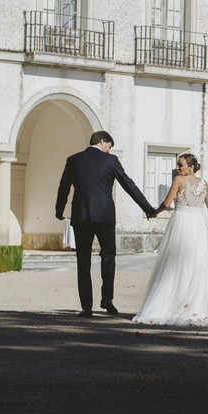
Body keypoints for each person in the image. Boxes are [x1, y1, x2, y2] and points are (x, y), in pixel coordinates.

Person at [133, 153, 208, 327]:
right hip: (198, 224)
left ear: (190, 167)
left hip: (182, 222)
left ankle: (172, 305)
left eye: (180, 165)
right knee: (197, 264)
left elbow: (167, 203)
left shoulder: (178, 180)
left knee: (175, 263)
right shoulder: (204, 184)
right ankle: (196, 306)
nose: (178, 168)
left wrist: (154, 212)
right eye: (178, 165)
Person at [55, 130, 156, 317]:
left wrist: (59, 211)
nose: (109, 151)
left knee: (83, 261)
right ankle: (107, 299)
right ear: (102, 142)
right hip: (105, 217)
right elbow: (128, 185)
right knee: (108, 256)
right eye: (109, 146)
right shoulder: (111, 161)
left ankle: (86, 307)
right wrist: (147, 208)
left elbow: (64, 187)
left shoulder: (73, 159)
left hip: (82, 216)